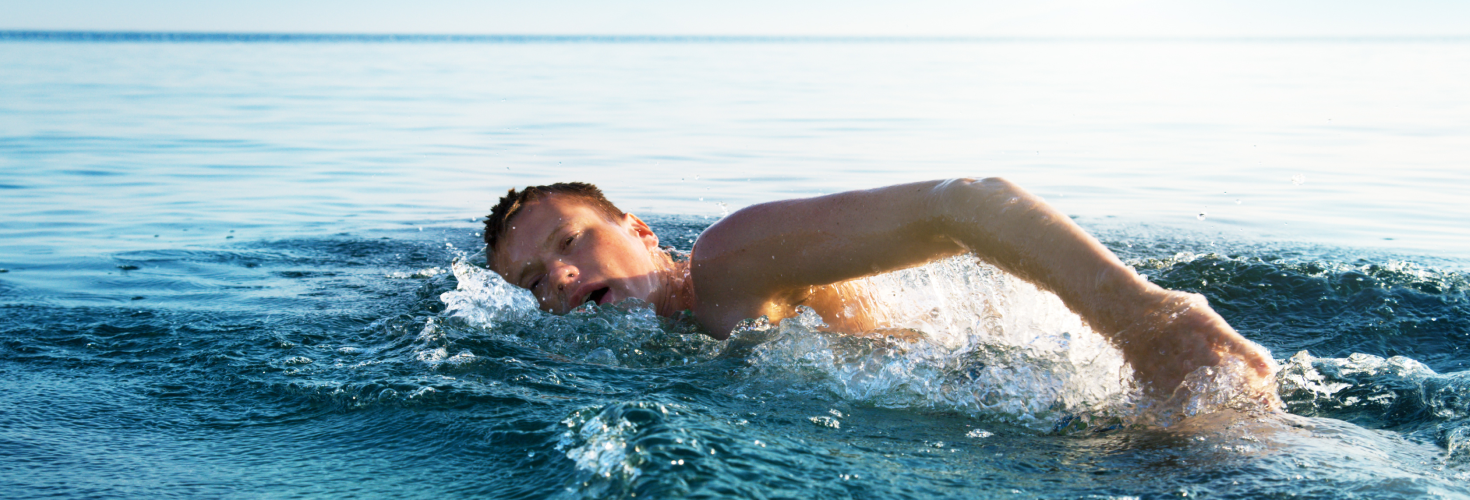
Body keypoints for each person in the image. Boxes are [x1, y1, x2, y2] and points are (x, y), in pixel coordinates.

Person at [484, 178, 1278, 404]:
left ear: (644, 232)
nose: (557, 274)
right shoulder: (614, 363)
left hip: (1024, 386)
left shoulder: (731, 262)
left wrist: (1143, 320)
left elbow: (964, 204)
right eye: (531, 280)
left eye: (571, 240)